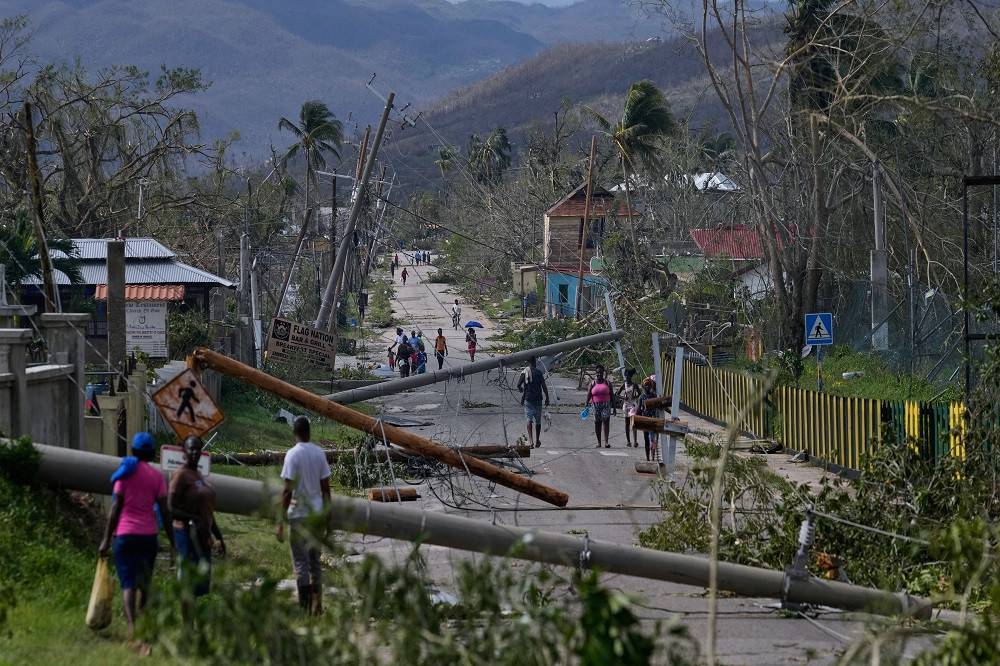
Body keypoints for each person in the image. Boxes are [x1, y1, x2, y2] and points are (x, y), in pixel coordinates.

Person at [99, 432, 175, 639]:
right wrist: (172, 541)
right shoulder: (157, 477)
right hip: (148, 537)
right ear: (152, 454)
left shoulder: (124, 473)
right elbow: (165, 511)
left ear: (133, 451)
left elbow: (116, 508)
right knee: (144, 582)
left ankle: (132, 626)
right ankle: (143, 620)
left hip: (125, 535)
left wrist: (106, 539)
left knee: (128, 584)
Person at [276, 416, 331, 615]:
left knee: (301, 563)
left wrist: (280, 521)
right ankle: (318, 606)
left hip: (298, 515)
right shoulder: (319, 453)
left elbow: (287, 491)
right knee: (315, 562)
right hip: (316, 515)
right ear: (309, 432)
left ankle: (305, 608)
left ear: (294, 433)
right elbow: (326, 490)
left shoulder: (292, 455)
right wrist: (327, 517)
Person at [169, 436, 224, 604]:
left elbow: (207, 512)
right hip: (187, 534)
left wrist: (219, 537)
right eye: (191, 448)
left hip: (202, 536)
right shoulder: (181, 475)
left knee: (201, 584)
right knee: (188, 582)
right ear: (184, 452)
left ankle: (195, 617)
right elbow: (170, 508)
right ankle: (187, 618)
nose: (194, 452)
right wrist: (193, 518)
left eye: (197, 449)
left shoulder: (198, 475)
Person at [517, 357, 550, 448]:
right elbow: (544, 386)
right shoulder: (539, 373)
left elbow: (518, 385)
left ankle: (531, 441)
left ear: (528, 363)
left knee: (529, 420)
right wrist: (547, 397)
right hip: (538, 400)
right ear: (535, 363)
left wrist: (521, 389)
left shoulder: (524, 372)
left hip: (528, 399)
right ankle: (537, 440)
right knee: (538, 421)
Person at [586, 365, 615, 448]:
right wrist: (586, 404)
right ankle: (599, 442)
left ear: (603, 373)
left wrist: (614, 408)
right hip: (596, 405)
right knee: (597, 423)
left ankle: (606, 442)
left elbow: (612, 395)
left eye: (601, 372)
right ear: (596, 373)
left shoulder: (607, 383)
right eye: (598, 372)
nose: (599, 374)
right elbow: (589, 394)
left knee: (606, 421)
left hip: (606, 405)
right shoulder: (592, 383)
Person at [616, 368, 642, 448]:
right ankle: (628, 441)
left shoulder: (634, 385)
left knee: (633, 422)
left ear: (631, 376)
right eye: (626, 376)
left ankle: (635, 441)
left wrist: (635, 396)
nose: (627, 377)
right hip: (626, 405)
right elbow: (617, 394)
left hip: (633, 404)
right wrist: (623, 398)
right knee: (627, 423)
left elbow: (640, 393)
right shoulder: (624, 385)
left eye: (629, 376)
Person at [638, 378, 660, 462]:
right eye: (646, 385)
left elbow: (660, 405)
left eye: (649, 385)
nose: (647, 386)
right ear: (643, 386)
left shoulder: (654, 396)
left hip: (653, 419)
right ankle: (648, 458)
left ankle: (653, 457)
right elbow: (639, 410)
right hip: (644, 420)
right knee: (646, 440)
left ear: (651, 386)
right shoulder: (641, 397)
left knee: (653, 439)